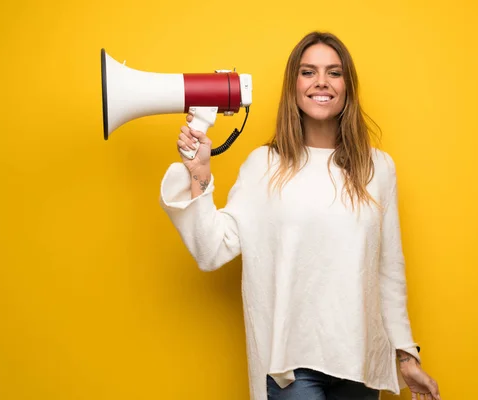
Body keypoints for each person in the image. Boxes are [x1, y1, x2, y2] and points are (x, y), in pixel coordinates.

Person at [159, 31, 442, 400]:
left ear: (348, 86)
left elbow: (389, 271)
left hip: (359, 362)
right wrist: (199, 176)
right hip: (289, 366)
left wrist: (407, 356)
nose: (321, 82)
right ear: (293, 85)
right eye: (308, 72)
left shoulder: (379, 169)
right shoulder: (264, 166)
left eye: (334, 73)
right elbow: (212, 250)